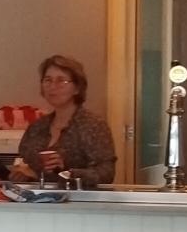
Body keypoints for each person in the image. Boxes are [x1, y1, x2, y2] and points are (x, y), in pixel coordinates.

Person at [9, 55, 117, 187]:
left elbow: (106, 173)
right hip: (37, 197)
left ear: (77, 88)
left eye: (61, 81)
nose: (53, 86)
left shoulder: (93, 125)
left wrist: (68, 172)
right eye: (48, 80)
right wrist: (22, 174)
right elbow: (26, 165)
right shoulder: (37, 127)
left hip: (78, 198)